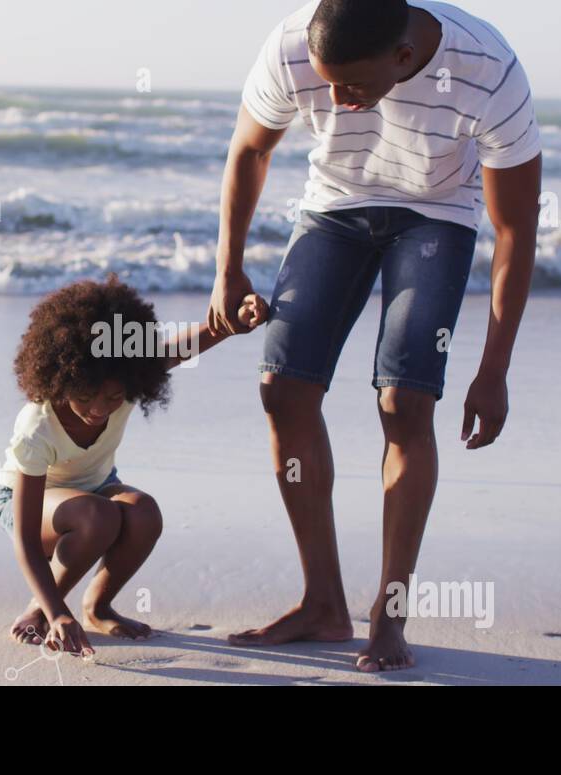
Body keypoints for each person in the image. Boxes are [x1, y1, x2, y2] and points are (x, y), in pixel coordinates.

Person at [207, 0, 542, 672]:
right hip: (334, 206)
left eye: (352, 85)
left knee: (405, 402)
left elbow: (515, 230)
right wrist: (229, 269)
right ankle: (322, 602)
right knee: (283, 389)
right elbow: (249, 148)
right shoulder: (292, 46)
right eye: (326, 82)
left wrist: (493, 368)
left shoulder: (487, 67)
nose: (335, 98)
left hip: (437, 215)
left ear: (403, 57)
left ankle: (389, 617)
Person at [0, 276, 267, 655]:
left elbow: (185, 347)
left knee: (143, 512)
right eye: (87, 395)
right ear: (65, 376)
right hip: (33, 503)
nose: (99, 408)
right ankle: (41, 610)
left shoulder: (127, 372)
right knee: (99, 515)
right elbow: (26, 541)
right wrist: (57, 612)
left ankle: (98, 606)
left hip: (97, 486)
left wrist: (231, 323)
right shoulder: (37, 426)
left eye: (113, 397)